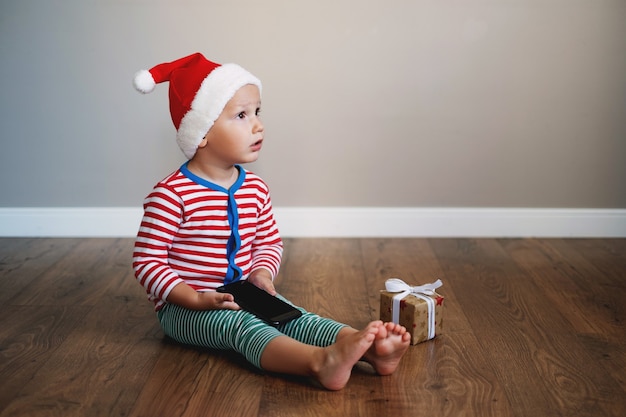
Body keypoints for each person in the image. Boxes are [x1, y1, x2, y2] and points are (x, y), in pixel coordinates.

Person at [132, 52, 410, 390]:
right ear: (201, 133)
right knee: (242, 328)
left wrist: (261, 273)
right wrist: (192, 298)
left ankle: (368, 349)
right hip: (183, 309)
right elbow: (148, 261)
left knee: (292, 315)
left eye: (258, 112)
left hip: (243, 291)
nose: (258, 124)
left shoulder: (254, 188)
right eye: (241, 115)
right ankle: (318, 363)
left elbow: (267, 242)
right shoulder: (171, 194)